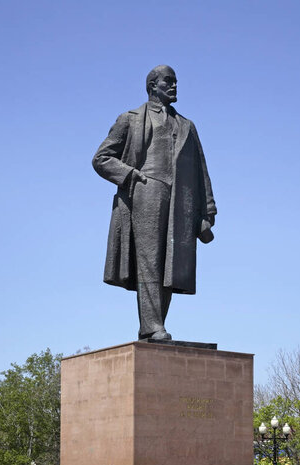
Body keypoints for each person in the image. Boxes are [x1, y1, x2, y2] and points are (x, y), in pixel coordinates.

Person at [92, 65, 216, 340]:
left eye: (176, 82)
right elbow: (101, 158)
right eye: (168, 82)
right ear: (152, 86)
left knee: (173, 266)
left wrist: (207, 210)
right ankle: (152, 325)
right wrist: (131, 176)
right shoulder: (131, 118)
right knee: (149, 261)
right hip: (146, 192)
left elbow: (201, 171)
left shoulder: (187, 126)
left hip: (180, 202)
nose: (174, 86)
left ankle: (153, 325)